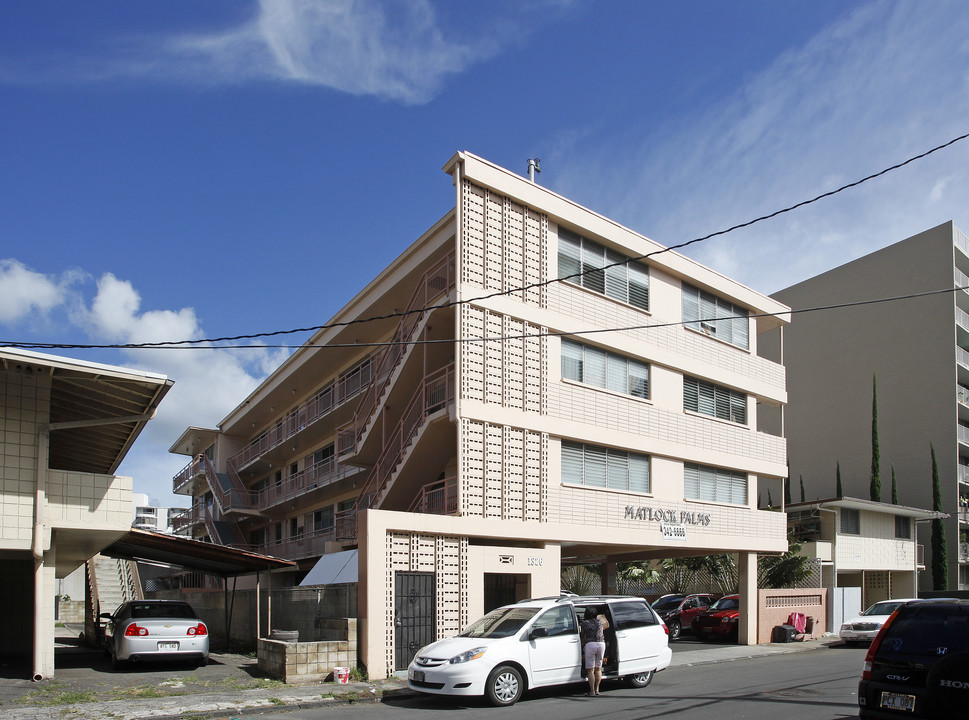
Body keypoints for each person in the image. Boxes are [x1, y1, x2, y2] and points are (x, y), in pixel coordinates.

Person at [579, 607, 606, 696]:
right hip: (601, 644)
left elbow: (583, 636)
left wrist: (582, 646)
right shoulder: (600, 622)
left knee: (590, 670)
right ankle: (597, 689)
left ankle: (592, 691)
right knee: (598, 668)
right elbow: (602, 632)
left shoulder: (584, 623)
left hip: (590, 644)